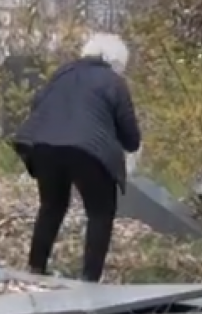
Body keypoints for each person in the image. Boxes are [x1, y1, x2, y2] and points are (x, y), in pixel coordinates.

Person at [12, 32, 142, 282]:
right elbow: (130, 135)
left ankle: (35, 269)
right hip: (89, 151)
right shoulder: (113, 81)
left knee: (51, 206)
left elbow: (38, 103)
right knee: (100, 212)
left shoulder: (62, 73)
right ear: (118, 61)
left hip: (44, 145)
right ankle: (90, 279)